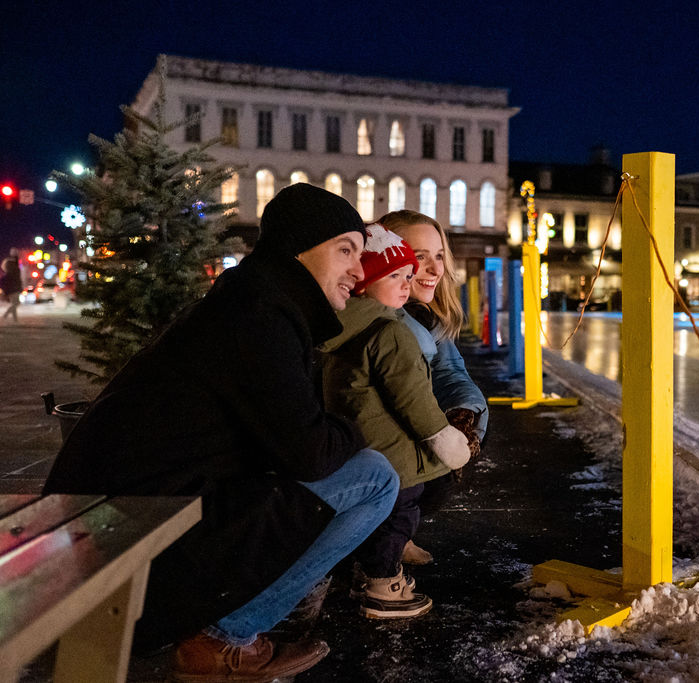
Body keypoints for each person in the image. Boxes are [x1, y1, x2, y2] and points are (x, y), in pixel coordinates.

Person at [42, 183, 399, 682]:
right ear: (298, 248)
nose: (359, 273)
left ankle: (224, 628)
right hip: (127, 543)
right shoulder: (260, 316)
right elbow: (312, 453)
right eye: (346, 251)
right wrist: (353, 427)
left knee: (339, 472)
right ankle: (223, 638)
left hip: (122, 521)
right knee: (376, 477)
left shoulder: (253, 302)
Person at [321, 224, 471, 618]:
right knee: (400, 516)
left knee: (373, 518)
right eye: (394, 276)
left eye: (407, 276)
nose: (406, 285)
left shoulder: (339, 327)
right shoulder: (391, 332)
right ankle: (384, 586)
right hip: (395, 454)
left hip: (358, 444)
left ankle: (366, 573)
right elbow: (413, 400)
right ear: (364, 282)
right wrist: (446, 439)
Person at [376, 210, 489, 565]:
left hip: (401, 435)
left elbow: (450, 373)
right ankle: (381, 548)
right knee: (428, 457)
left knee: (456, 443)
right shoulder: (381, 317)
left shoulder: (425, 317)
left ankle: (396, 532)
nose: (435, 268)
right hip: (370, 443)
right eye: (419, 256)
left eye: (439, 256)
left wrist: (465, 414)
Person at [1, 248, 22, 322]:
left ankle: (15, 320)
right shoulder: (11, 270)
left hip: (13, 289)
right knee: (16, 303)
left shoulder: (12, 269)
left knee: (14, 304)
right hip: (13, 289)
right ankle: (5, 315)